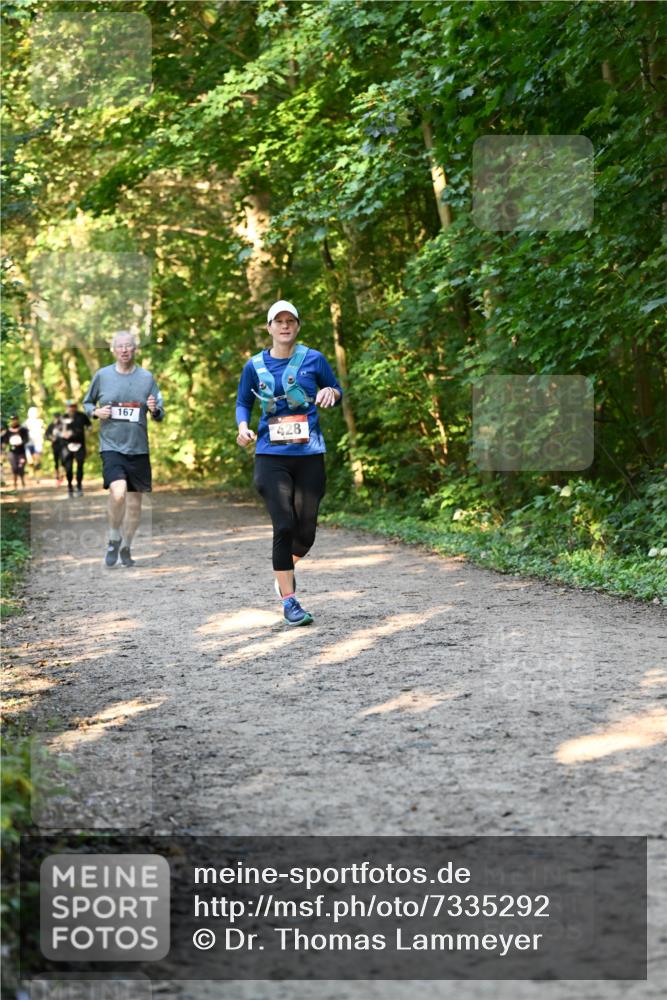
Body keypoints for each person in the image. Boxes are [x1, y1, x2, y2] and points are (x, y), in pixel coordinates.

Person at [236, 300, 342, 626]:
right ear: (269, 328)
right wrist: (243, 427)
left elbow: (335, 389)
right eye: (278, 321)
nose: (284, 326)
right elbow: (243, 402)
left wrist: (330, 394)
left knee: (305, 533)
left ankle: (283, 569)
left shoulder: (314, 359)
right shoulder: (254, 366)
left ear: (297, 326)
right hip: (270, 456)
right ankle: (289, 600)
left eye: (290, 321)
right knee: (283, 524)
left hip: (309, 454)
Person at [82, 330, 165, 568]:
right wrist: (96, 412)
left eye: (129, 346)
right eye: (120, 346)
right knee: (117, 492)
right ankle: (113, 537)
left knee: (135, 504)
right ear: (113, 350)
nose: (125, 350)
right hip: (111, 446)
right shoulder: (102, 376)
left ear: (135, 349)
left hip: (138, 448)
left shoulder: (146, 378)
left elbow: (159, 411)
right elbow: (87, 403)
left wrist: (154, 409)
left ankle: (126, 546)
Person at [60, 400, 91, 498]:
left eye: (74, 406)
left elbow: (89, 425)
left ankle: (79, 486)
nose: (72, 408)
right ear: (67, 407)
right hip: (67, 446)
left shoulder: (82, 416)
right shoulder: (63, 417)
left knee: (80, 466)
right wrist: (63, 434)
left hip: (80, 445)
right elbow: (56, 430)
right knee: (68, 468)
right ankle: (70, 487)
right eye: (70, 406)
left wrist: (88, 432)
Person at [1, 415, 30, 489]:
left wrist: (21, 442)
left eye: (15, 419)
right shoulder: (8, 431)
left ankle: (22, 481)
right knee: (14, 467)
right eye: (12, 419)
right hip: (12, 452)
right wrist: (4, 446)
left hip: (21, 451)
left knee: (21, 467)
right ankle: (15, 483)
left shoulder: (23, 430)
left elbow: (27, 439)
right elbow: (4, 440)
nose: (14, 421)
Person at [24, 406, 45, 483]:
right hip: (28, 444)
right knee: (30, 461)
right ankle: (31, 472)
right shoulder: (26, 423)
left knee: (37, 461)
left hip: (38, 443)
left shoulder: (40, 422)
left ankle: (38, 477)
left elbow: (43, 431)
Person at [46, 412, 64, 483]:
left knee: (63, 461)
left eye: (58, 417)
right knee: (56, 461)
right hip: (55, 446)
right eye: (56, 417)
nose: (57, 419)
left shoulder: (63, 425)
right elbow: (47, 435)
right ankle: (57, 476)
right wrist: (51, 438)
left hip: (63, 446)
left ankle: (62, 475)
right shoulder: (51, 425)